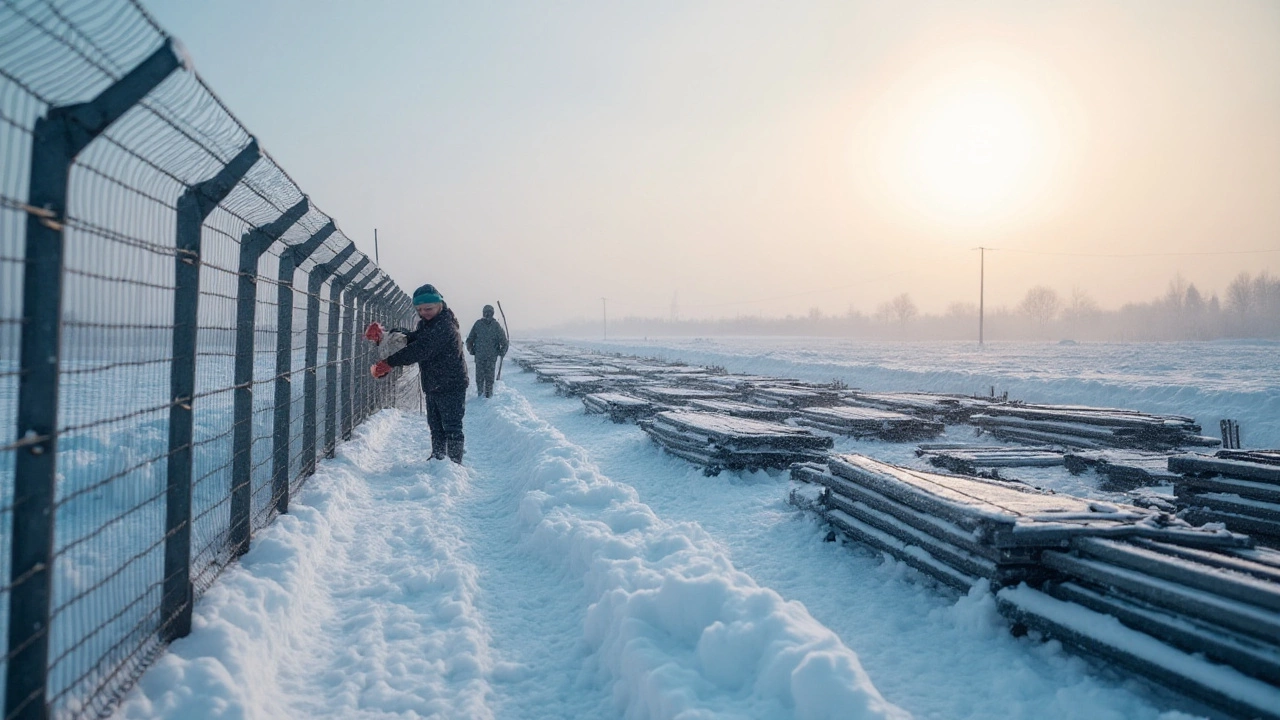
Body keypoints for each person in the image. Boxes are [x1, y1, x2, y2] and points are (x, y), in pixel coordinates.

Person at [367, 283, 469, 463]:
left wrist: (389, 362)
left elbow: (420, 349)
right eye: (419, 309)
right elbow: (413, 338)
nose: (423, 313)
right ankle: (438, 457)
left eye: (428, 308)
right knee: (435, 426)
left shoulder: (445, 326)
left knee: (452, 426)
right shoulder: (428, 324)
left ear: (440, 304)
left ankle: (454, 463)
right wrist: (387, 335)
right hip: (434, 383)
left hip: (451, 384)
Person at [465, 304, 508, 398]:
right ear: (483, 313)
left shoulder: (496, 326)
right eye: (486, 313)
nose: (488, 315)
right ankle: (480, 395)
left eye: (490, 313)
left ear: (492, 314)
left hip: (491, 358)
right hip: (480, 357)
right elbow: (469, 340)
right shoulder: (478, 324)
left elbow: (504, 342)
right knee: (480, 378)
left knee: (489, 379)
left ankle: (488, 397)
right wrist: (472, 350)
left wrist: (502, 352)